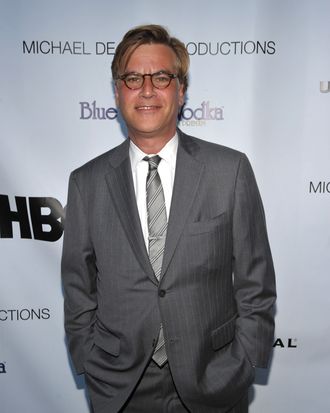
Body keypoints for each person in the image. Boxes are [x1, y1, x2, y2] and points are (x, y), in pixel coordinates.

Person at [61, 24, 276, 413]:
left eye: (161, 77)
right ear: (117, 91)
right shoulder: (85, 183)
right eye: (132, 78)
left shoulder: (229, 171)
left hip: (214, 381)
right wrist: (91, 362)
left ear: (180, 91)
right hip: (120, 387)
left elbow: (256, 284)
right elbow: (78, 290)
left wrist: (243, 363)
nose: (146, 89)